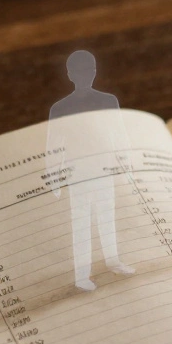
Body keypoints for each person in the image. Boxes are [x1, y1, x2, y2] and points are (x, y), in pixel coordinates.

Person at [46, 50, 135, 292]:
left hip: (104, 169)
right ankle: (81, 275)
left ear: (95, 71)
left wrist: (127, 167)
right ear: (70, 74)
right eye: (80, 70)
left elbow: (120, 134)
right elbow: (53, 146)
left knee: (107, 218)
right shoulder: (60, 108)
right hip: (78, 175)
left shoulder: (108, 101)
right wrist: (53, 179)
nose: (86, 74)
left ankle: (113, 261)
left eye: (89, 69)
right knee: (81, 224)